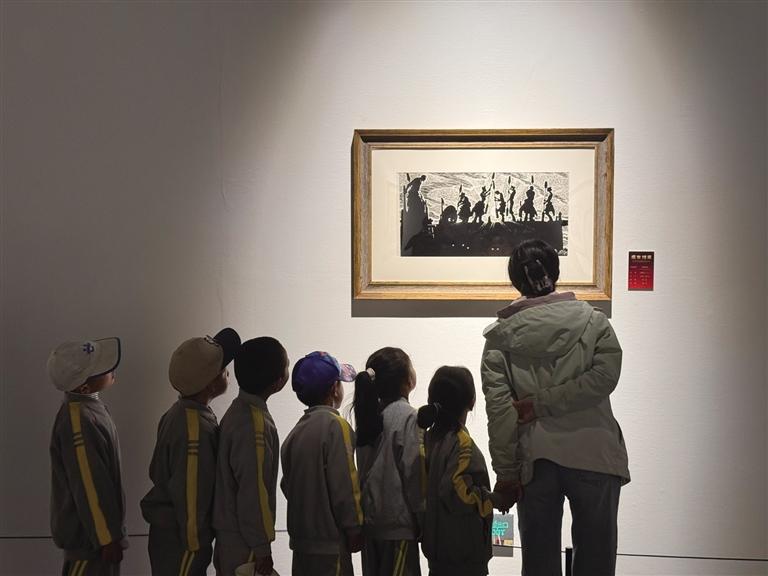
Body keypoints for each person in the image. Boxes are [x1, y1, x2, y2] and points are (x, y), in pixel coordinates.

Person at [481, 239, 630, 576]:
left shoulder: (500, 339)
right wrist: (545, 404)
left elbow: (501, 413)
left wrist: (506, 474)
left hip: (536, 460)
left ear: (515, 280)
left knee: (539, 564)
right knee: (597, 564)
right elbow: (604, 379)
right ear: (555, 271)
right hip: (595, 452)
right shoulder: (595, 323)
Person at [141, 328, 241, 576]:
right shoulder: (195, 428)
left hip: (173, 535)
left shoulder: (179, 413)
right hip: (183, 541)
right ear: (210, 384)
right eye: (223, 369)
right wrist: (196, 543)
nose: (228, 372)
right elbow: (191, 491)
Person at [48, 337, 126, 576]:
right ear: (83, 387)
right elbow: (88, 482)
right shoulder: (78, 421)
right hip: (89, 546)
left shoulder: (89, 408)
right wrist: (106, 537)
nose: (111, 369)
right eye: (102, 368)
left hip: (96, 541)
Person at [281, 351, 364, 576]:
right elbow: (345, 484)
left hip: (301, 545)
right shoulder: (337, 426)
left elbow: (286, 485)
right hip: (330, 545)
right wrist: (354, 527)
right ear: (335, 389)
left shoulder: (295, 432)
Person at [417, 366, 505, 576]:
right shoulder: (461, 443)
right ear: (472, 402)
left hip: (438, 557)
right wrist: (495, 500)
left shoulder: (427, 438)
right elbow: (457, 493)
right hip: (464, 555)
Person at [213, 337, 290, 576]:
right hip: (245, 542)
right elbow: (252, 491)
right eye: (287, 365)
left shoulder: (237, 411)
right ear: (278, 381)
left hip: (232, 537)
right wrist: (261, 547)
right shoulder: (254, 424)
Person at [353, 348, 424, 576]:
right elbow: (414, 472)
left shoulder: (367, 418)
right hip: (398, 525)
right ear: (407, 380)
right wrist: (423, 518)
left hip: (371, 527)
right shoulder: (409, 416)